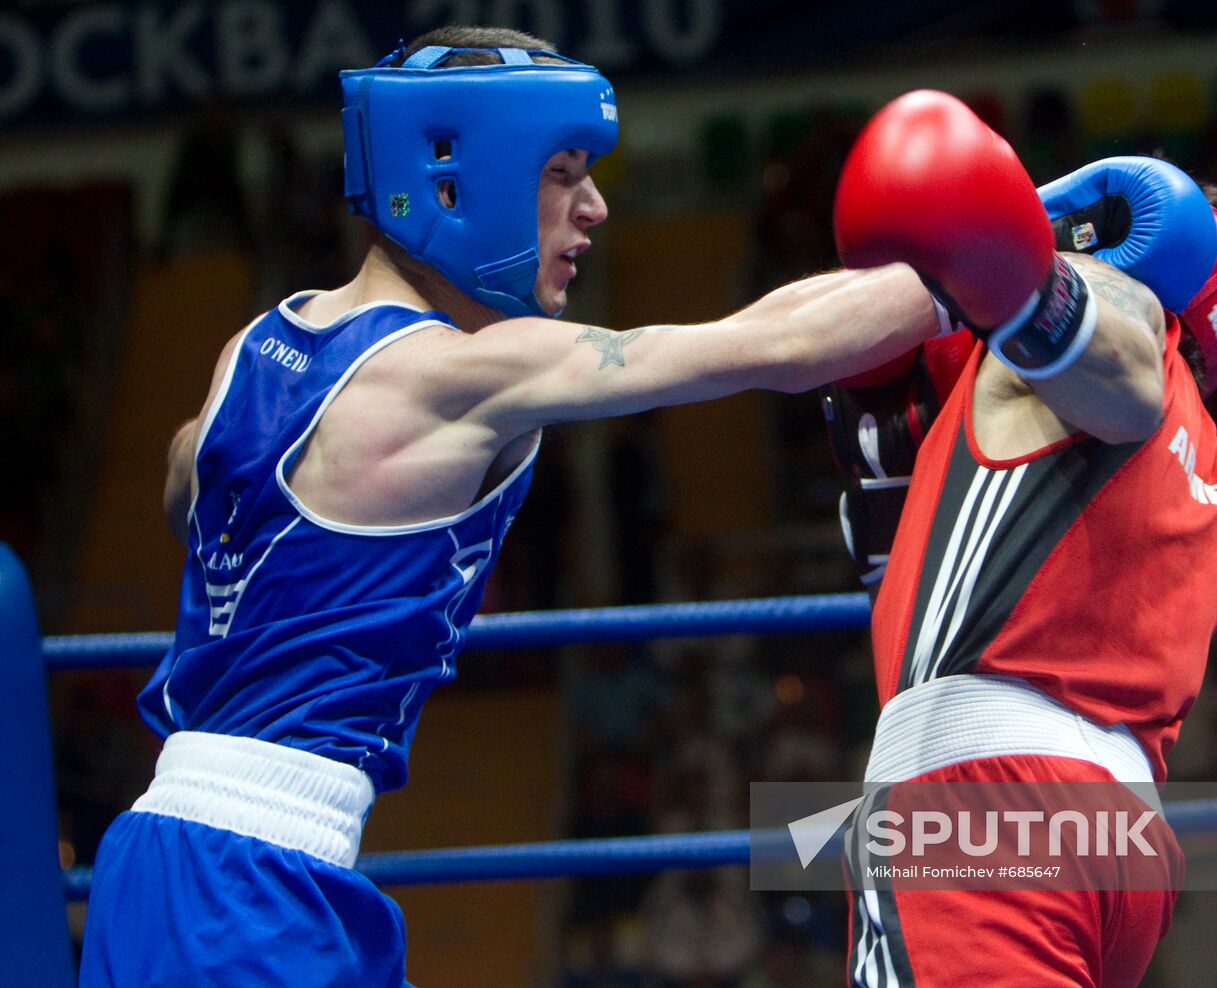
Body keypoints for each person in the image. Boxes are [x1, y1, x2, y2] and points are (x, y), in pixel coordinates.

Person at [76, 27, 945, 987]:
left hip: (169, 850)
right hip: (250, 892)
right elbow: (769, 346)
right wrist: (1005, 258)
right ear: (460, 178)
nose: (595, 208)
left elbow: (185, 490)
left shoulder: (261, 341)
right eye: (562, 172)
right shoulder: (457, 374)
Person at [823, 92, 1217, 986]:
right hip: (1119, 834)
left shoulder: (1072, 336)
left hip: (984, 804)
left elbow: (1107, 352)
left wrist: (1003, 252)